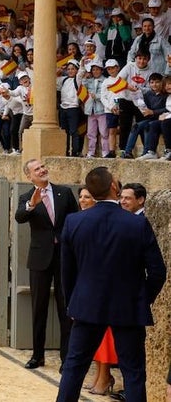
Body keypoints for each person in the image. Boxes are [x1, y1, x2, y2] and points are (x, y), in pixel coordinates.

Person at [56, 167, 166, 402]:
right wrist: (140, 298)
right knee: (134, 372)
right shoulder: (137, 224)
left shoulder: (74, 222)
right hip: (127, 306)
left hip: (86, 304)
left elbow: (67, 271)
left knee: (74, 368)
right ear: (114, 187)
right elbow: (157, 271)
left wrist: (73, 302)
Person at [14, 158, 79, 370]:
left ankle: (65, 358)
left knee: (65, 308)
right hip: (40, 259)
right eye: (37, 169)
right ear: (29, 176)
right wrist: (32, 204)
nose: (42, 170)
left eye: (43, 167)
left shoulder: (64, 192)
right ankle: (37, 356)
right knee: (39, 308)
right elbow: (20, 217)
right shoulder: (26, 197)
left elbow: (75, 221)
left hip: (64, 258)